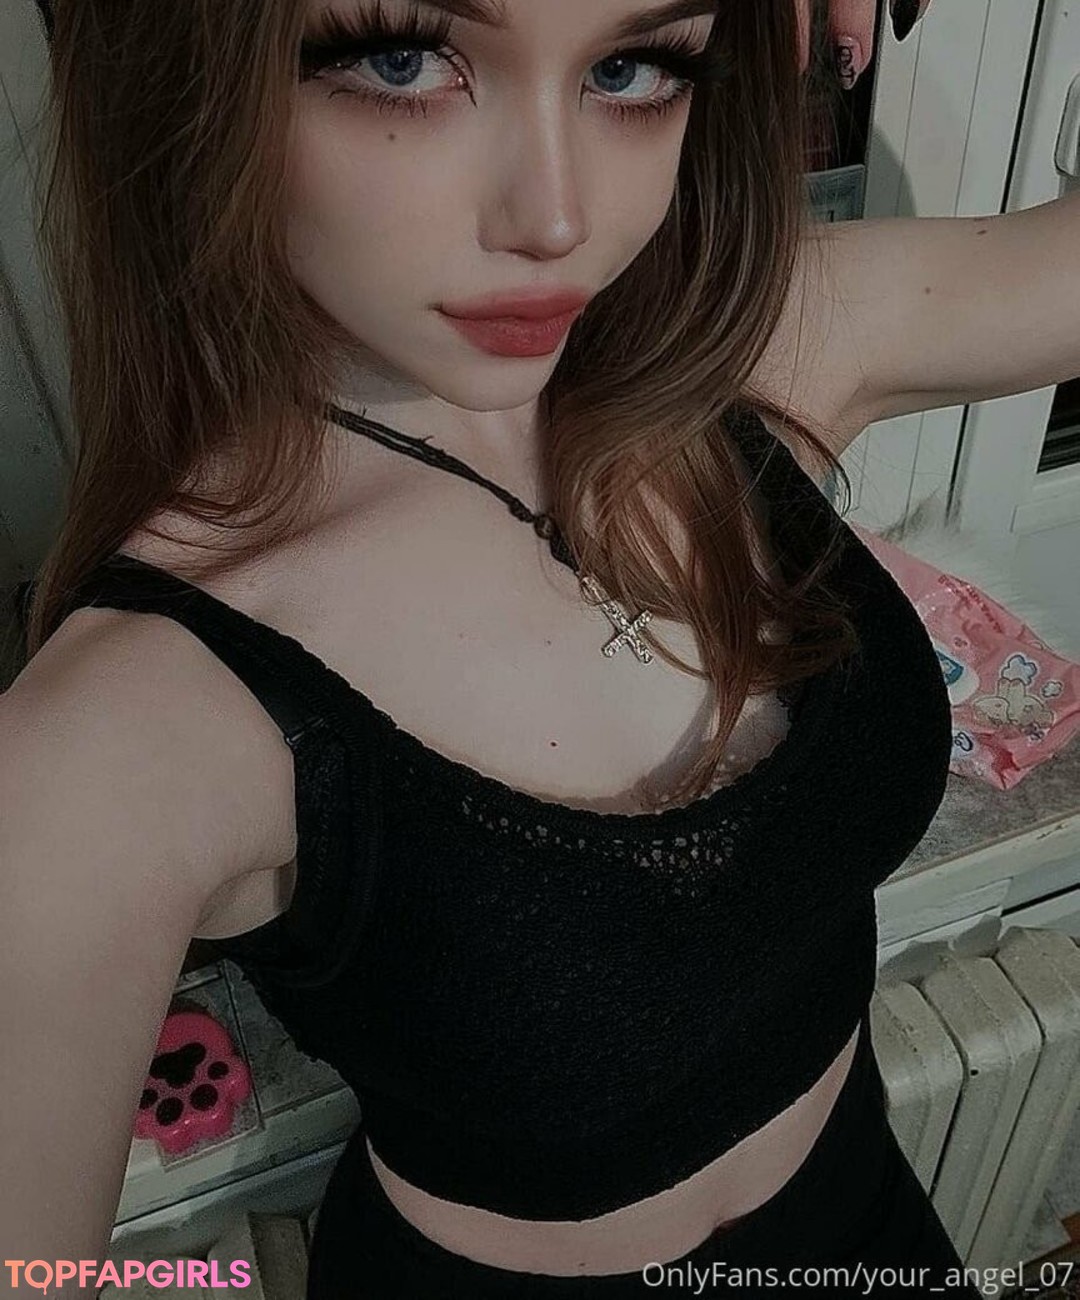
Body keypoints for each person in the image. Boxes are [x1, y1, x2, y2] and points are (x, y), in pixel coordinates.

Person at [7, 0, 1047, 1295]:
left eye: (634, 66)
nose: (558, 218)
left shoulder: (732, 358)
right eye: (402, 60)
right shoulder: (118, 737)